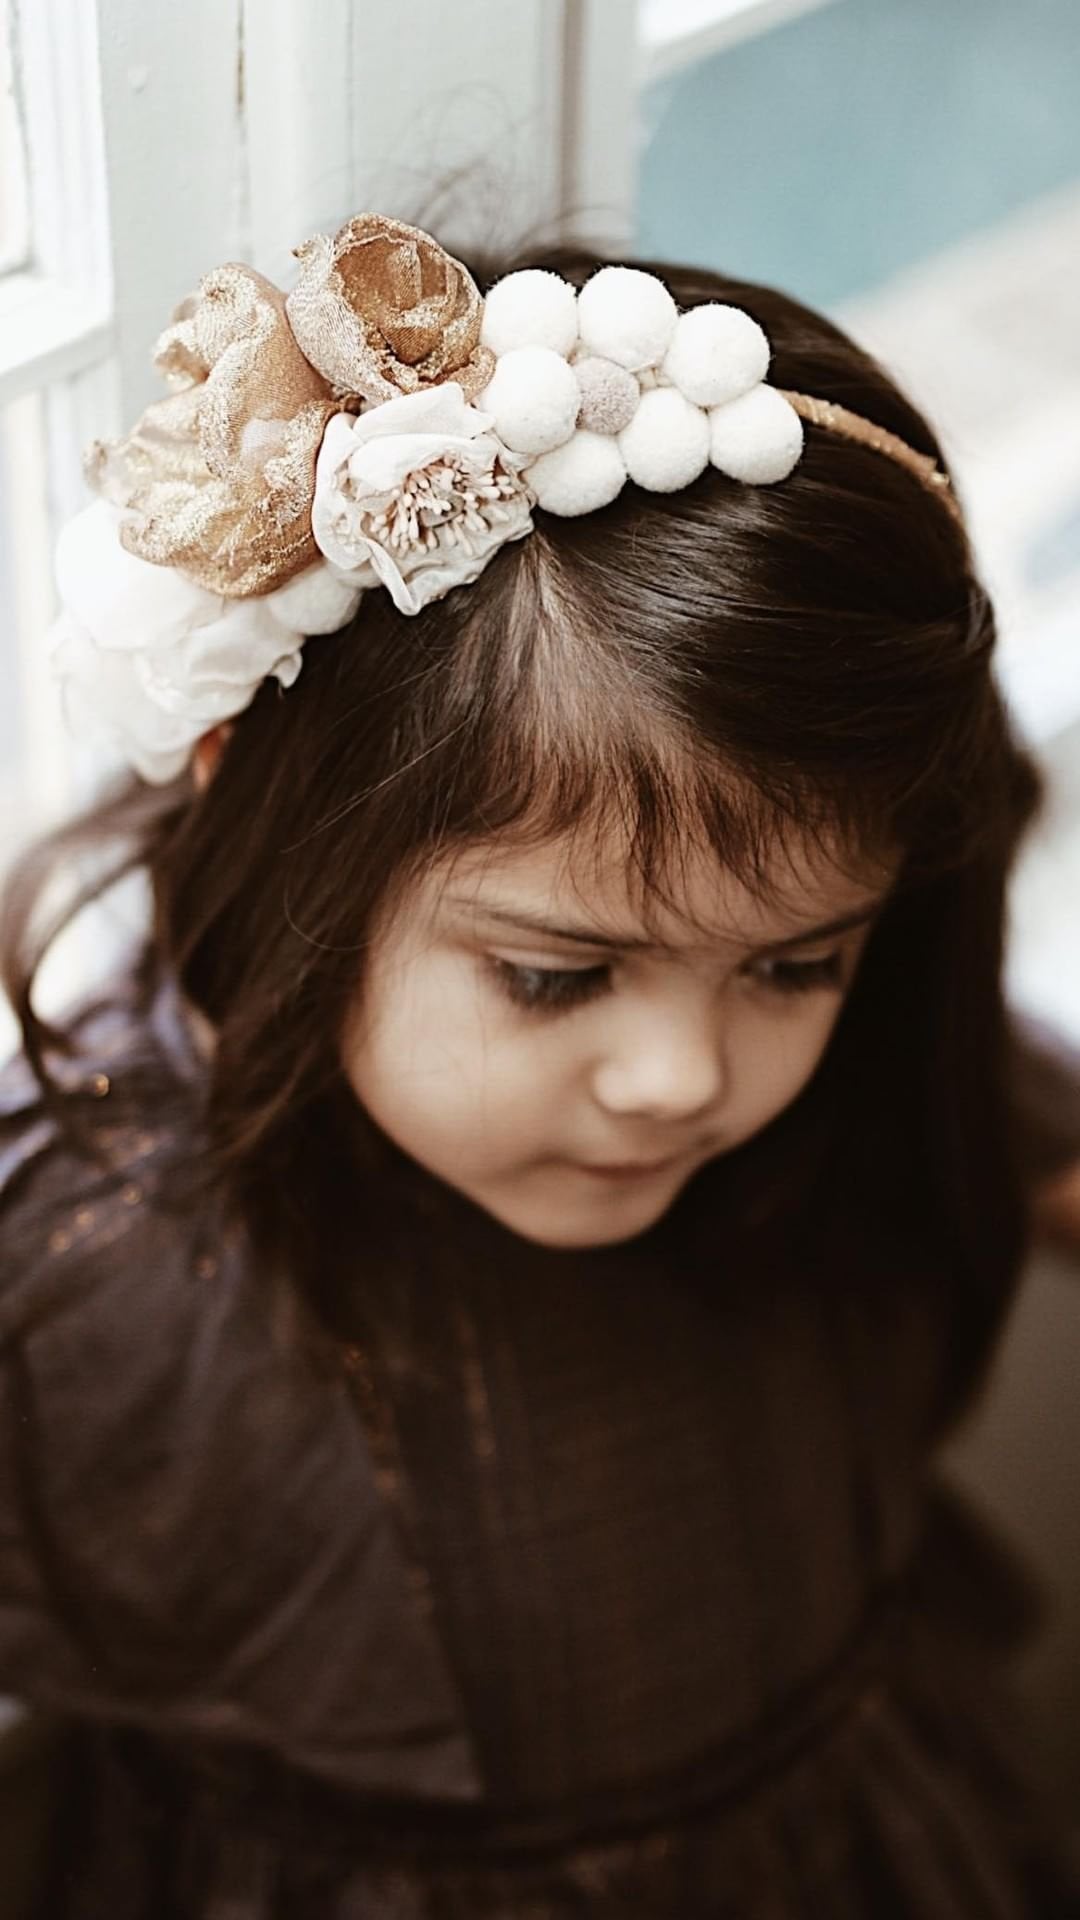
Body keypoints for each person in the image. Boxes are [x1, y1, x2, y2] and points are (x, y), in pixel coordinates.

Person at [1, 210, 1080, 1919]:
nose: (680, 1080)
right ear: (284, 833)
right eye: (554, 977)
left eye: (798, 963)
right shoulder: (80, 1259)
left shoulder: (885, 1078)